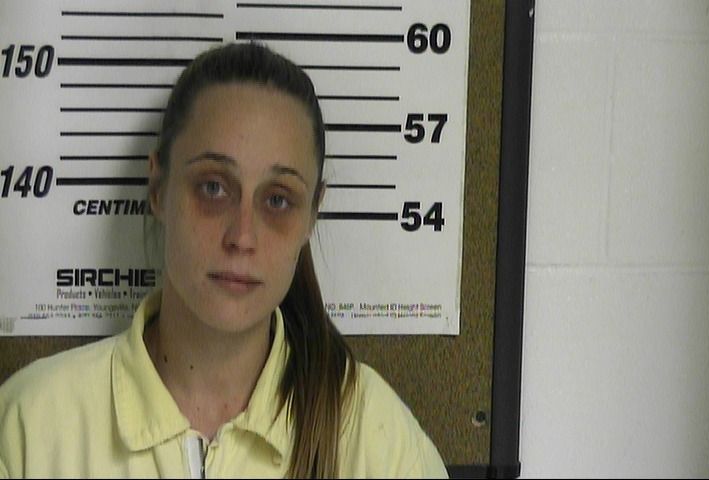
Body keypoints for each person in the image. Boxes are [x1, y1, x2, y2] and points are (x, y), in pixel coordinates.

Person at [0, 42, 447, 478]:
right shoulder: (31, 429)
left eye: (277, 199)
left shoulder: (378, 442)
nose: (242, 237)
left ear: (312, 213)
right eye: (213, 188)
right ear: (158, 188)